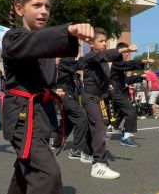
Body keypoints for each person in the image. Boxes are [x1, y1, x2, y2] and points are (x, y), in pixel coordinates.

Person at [0, 0, 93, 194]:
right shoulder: (13, 38)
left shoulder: (46, 44)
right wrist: (69, 32)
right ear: (19, 9)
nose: (43, 11)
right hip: (22, 113)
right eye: (36, 5)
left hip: (42, 112)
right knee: (47, 173)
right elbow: (34, 44)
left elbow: (50, 52)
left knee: (27, 165)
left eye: (47, 6)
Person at [82, 28, 136, 179]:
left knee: (100, 125)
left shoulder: (103, 62)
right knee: (99, 127)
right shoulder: (90, 56)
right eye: (101, 41)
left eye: (105, 41)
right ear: (91, 44)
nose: (105, 44)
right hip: (91, 98)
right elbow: (104, 55)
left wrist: (109, 86)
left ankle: (85, 152)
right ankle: (98, 164)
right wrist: (125, 49)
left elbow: (102, 76)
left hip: (100, 99)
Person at [108, 41, 152, 148]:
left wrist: (141, 78)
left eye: (128, 52)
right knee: (131, 110)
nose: (127, 54)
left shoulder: (119, 64)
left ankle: (114, 127)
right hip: (115, 91)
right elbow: (128, 65)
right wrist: (143, 61)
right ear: (120, 52)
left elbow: (127, 78)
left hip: (119, 91)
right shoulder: (116, 62)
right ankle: (126, 137)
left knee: (123, 112)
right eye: (125, 52)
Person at [56, 57, 93, 163]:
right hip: (65, 94)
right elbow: (79, 64)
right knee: (82, 117)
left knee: (69, 121)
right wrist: (94, 57)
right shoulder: (65, 60)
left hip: (69, 94)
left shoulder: (68, 62)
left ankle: (57, 142)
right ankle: (76, 149)